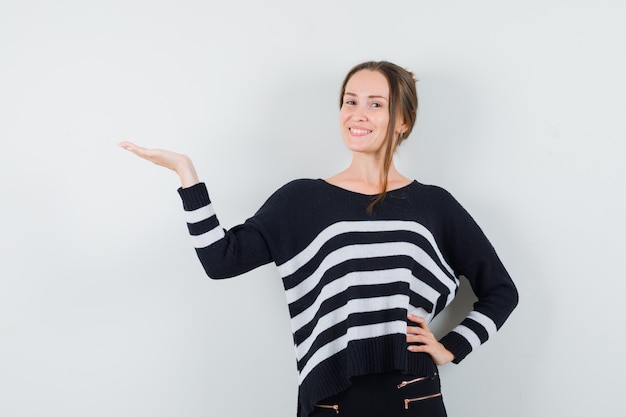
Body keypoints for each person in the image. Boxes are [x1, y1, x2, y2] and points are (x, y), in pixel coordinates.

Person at [119, 60, 518, 417]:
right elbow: (221, 261)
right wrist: (187, 175)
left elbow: (501, 290)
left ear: (403, 121)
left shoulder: (434, 205)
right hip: (332, 395)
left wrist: (452, 348)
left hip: (411, 395)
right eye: (350, 101)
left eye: (376, 104)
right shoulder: (302, 199)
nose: (358, 114)